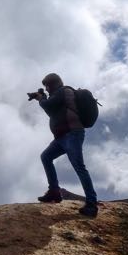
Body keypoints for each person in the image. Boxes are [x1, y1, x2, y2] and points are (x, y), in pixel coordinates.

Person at [29, 73, 98, 218]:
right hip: (62, 137)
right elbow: (52, 111)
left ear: (53, 84)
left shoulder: (63, 91)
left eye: (47, 86)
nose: (46, 89)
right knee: (46, 157)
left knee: (79, 166)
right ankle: (54, 192)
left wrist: (41, 98)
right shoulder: (58, 96)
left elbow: (47, 105)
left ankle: (92, 204)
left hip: (72, 135)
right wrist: (42, 98)